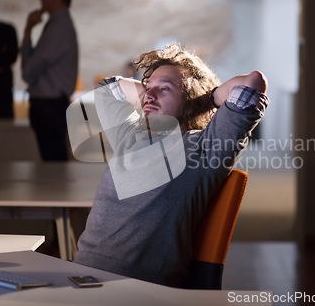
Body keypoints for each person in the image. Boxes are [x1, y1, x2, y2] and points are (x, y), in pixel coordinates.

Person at [72, 44, 269, 288]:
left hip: (137, 289)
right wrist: (152, 90)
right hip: (79, 278)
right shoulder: (131, 133)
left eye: (164, 89)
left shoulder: (206, 148)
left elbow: (253, 83)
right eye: (147, 87)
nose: (150, 96)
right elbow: (107, 88)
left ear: (190, 99)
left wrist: (203, 100)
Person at [22, 0, 78, 161]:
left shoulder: (58, 27)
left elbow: (29, 72)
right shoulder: (58, 25)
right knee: (54, 167)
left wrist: (28, 29)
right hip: (51, 108)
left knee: (53, 169)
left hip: (49, 109)